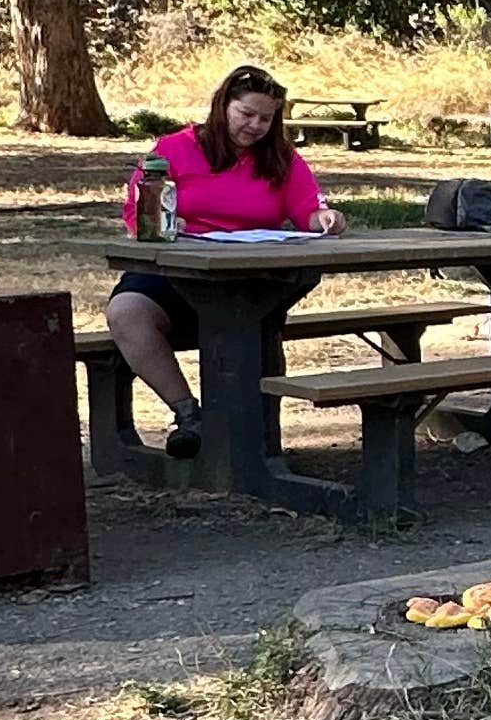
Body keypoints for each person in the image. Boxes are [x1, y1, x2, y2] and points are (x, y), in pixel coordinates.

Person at [107, 64, 340, 455]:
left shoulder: (281, 158)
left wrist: (324, 219)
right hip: (175, 270)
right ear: (223, 106)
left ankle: (257, 439)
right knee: (125, 311)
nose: (255, 126)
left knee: (254, 325)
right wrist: (167, 222)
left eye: (266, 118)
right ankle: (189, 415)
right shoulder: (173, 149)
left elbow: (307, 209)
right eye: (246, 114)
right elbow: (136, 214)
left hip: (249, 278)